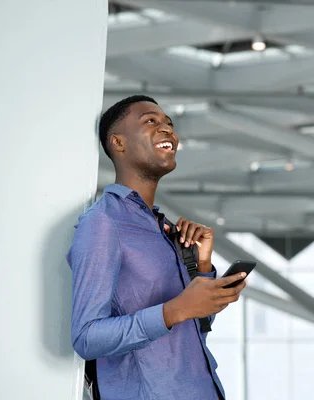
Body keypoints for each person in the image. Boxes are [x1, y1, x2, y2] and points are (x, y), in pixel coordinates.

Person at [67, 95, 248, 400]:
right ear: (118, 143)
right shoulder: (103, 223)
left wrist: (202, 270)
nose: (167, 130)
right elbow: (86, 338)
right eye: (151, 121)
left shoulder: (163, 228)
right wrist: (174, 309)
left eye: (169, 124)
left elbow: (193, 331)